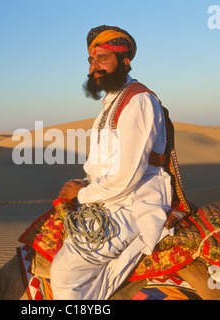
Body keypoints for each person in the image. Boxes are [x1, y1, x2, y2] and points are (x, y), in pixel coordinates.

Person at [50, 25, 174, 300]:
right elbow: (109, 165)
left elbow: (127, 175)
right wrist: (86, 183)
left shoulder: (138, 101)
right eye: (92, 61)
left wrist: (82, 194)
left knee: (64, 273)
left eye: (102, 59)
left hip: (134, 203)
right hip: (110, 199)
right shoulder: (113, 102)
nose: (95, 67)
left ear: (125, 61)